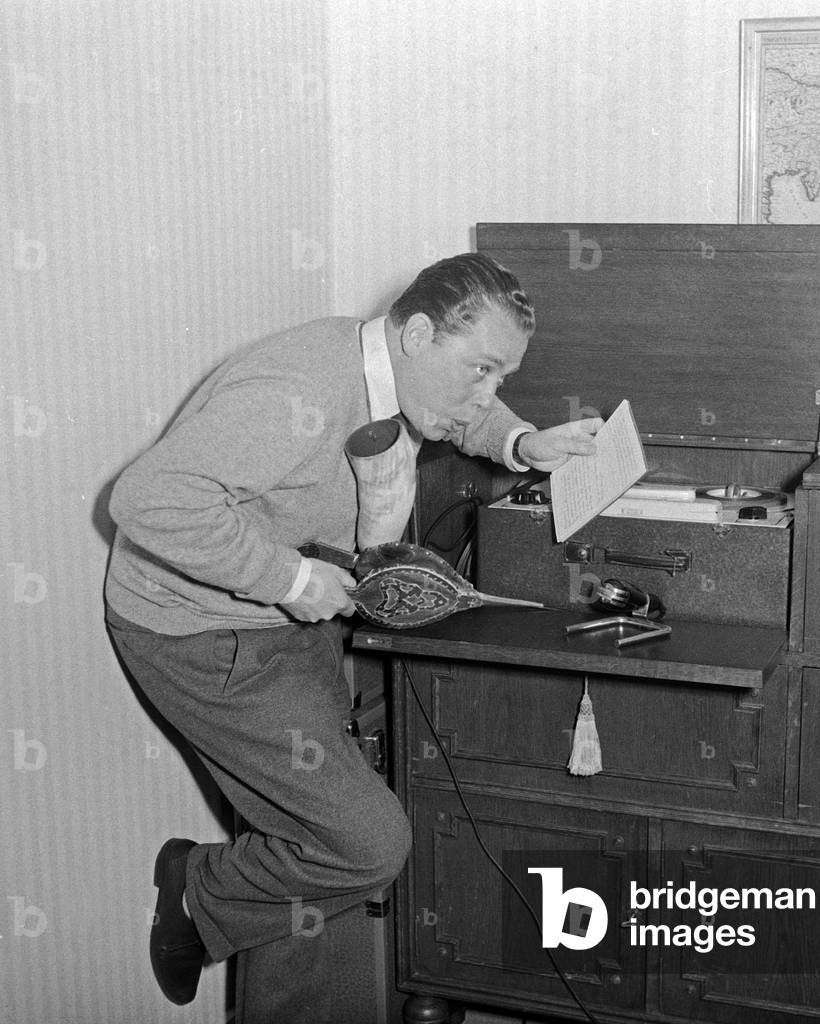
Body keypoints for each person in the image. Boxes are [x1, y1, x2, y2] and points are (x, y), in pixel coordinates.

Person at [104, 253, 602, 1020]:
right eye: (481, 369)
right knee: (366, 845)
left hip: (288, 611)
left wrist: (520, 444)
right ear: (419, 332)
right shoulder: (297, 389)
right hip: (201, 632)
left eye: (499, 376)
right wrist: (291, 580)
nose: (488, 392)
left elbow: (459, 409)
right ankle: (196, 888)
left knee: (328, 824)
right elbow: (147, 501)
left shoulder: (392, 361)